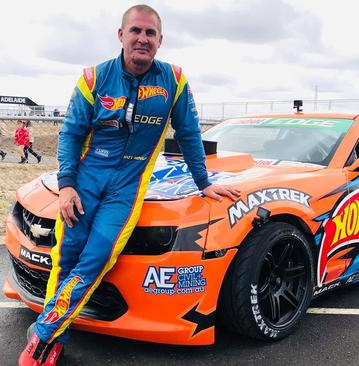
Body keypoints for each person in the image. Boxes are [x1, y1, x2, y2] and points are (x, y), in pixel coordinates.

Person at [18, 4, 241, 365]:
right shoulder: (93, 77)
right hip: (87, 180)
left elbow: (188, 134)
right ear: (121, 35)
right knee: (68, 256)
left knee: (97, 257)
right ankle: (56, 333)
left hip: (127, 186)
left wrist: (204, 182)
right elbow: (71, 135)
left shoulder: (175, 80)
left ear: (160, 41)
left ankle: (44, 331)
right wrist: (68, 185)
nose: (143, 38)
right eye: (136, 31)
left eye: (150, 33)